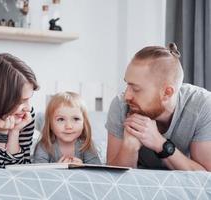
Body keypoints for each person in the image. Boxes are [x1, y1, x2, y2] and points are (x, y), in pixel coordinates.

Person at [106, 43, 211, 171]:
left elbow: (206, 179)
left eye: (136, 89)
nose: (127, 96)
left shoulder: (202, 106)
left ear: (167, 93)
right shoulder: (120, 105)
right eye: (128, 85)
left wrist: (159, 143)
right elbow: (111, 179)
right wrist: (129, 147)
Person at [33, 91, 101, 164]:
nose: (68, 126)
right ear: (50, 125)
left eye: (76, 119)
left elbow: (96, 171)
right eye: (61, 119)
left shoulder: (87, 145)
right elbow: (39, 172)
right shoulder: (44, 146)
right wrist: (57, 168)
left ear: (84, 123)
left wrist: (83, 168)